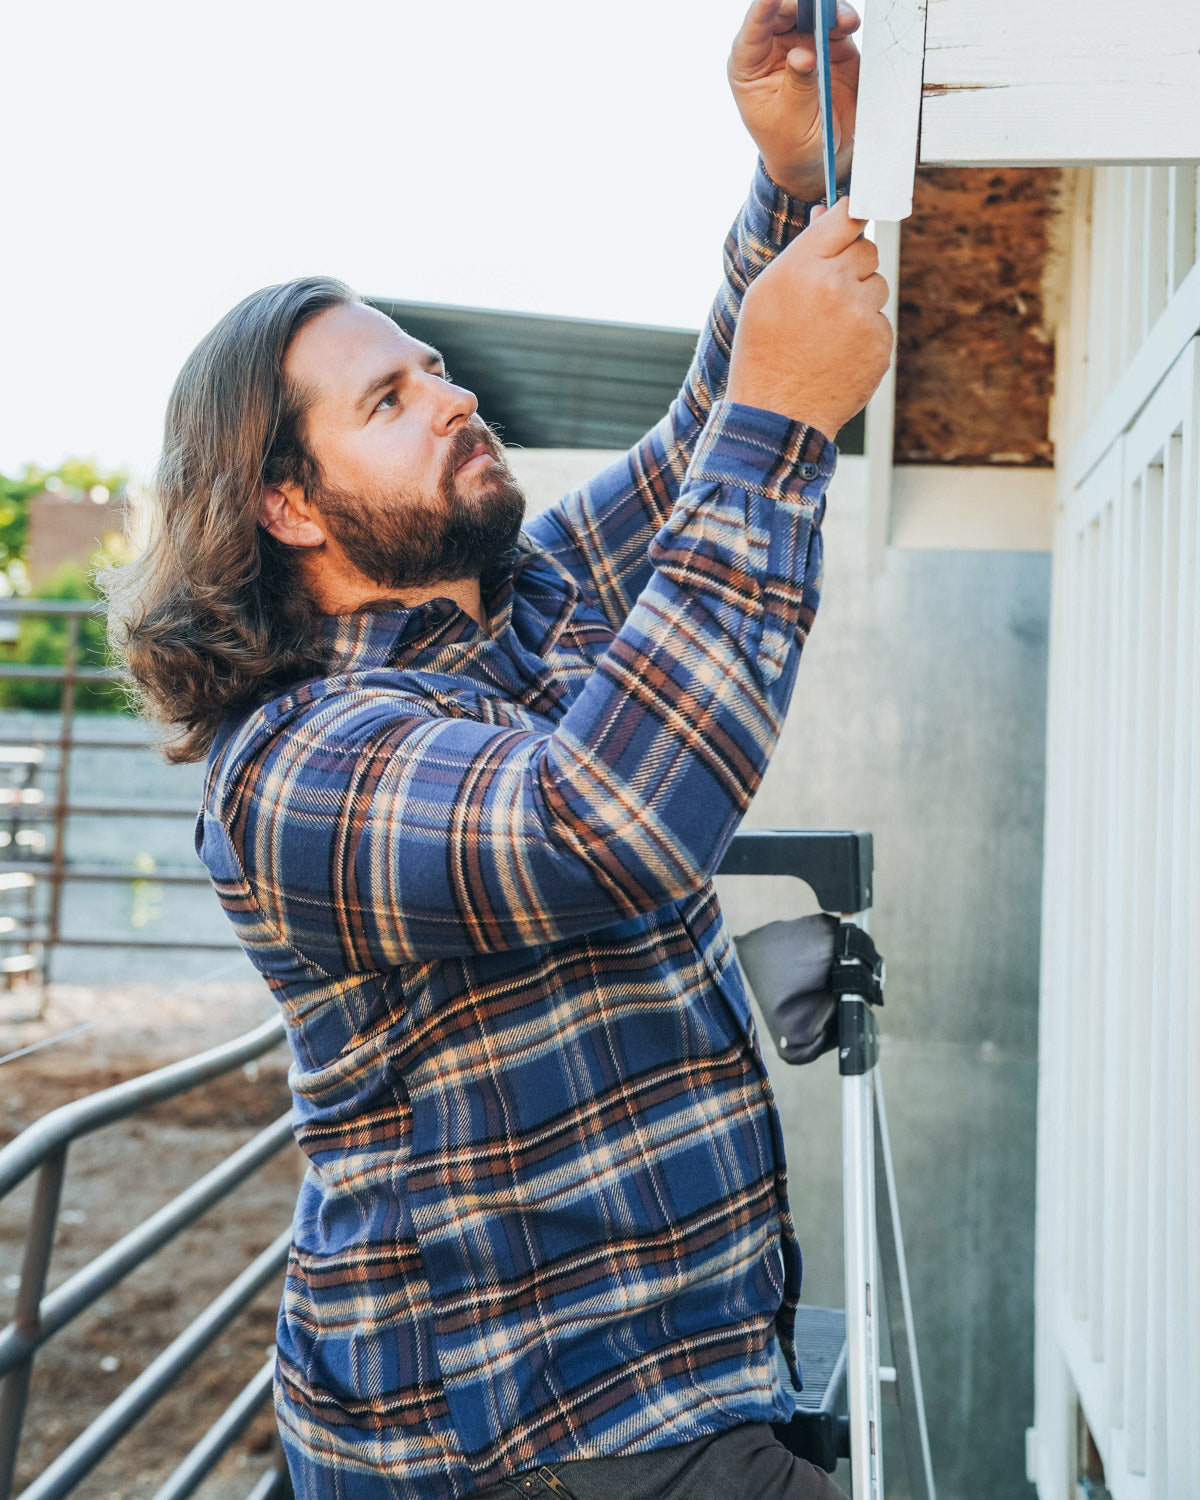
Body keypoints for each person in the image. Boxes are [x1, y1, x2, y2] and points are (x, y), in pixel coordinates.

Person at [103, 2, 892, 1495]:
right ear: (287, 505)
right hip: (519, 1447)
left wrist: (789, 179)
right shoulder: (295, 769)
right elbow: (606, 824)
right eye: (390, 400)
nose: (457, 393)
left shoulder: (511, 604)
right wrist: (790, 415)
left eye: (435, 365)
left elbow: (701, 447)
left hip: (680, 1376)